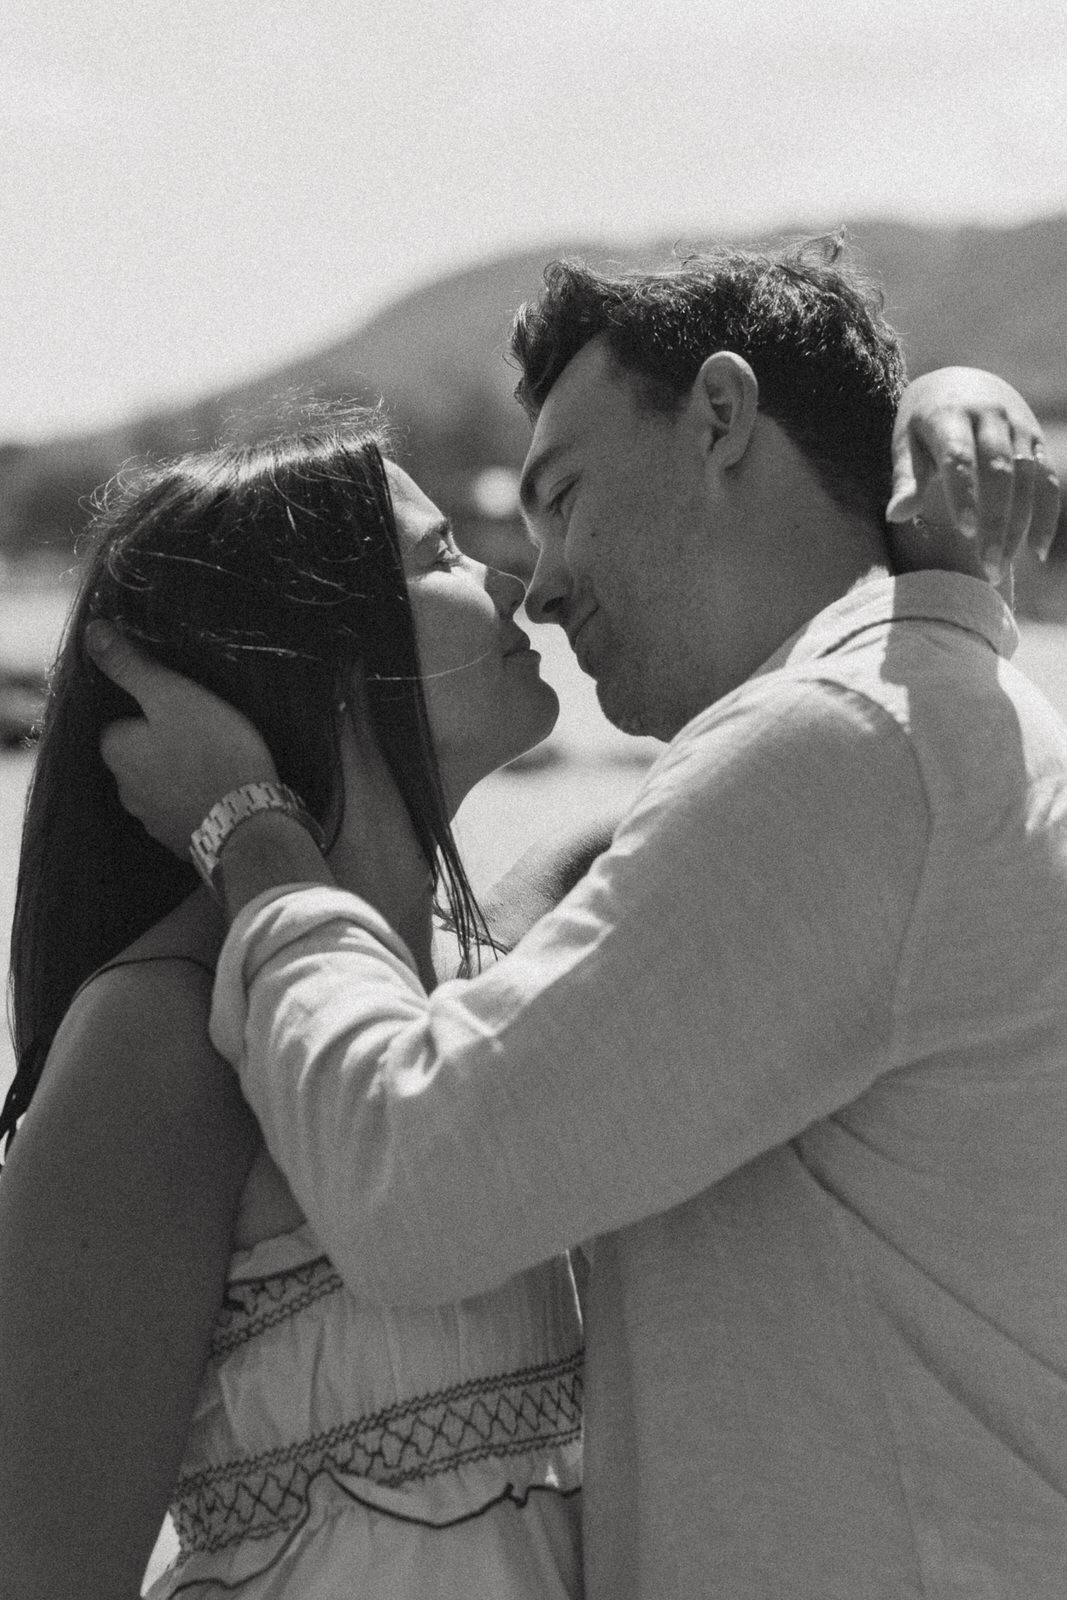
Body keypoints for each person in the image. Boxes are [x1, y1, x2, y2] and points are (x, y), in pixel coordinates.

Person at [82, 238, 1067, 1598]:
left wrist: (246, 831)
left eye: (557, 496)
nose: (532, 584)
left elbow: (407, 1183)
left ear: (720, 418)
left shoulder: (841, 740)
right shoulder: (891, 723)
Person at [0, 419, 587, 1600]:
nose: (510, 579)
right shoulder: (161, 1041)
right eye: (440, 561)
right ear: (316, 655)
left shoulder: (486, 980)